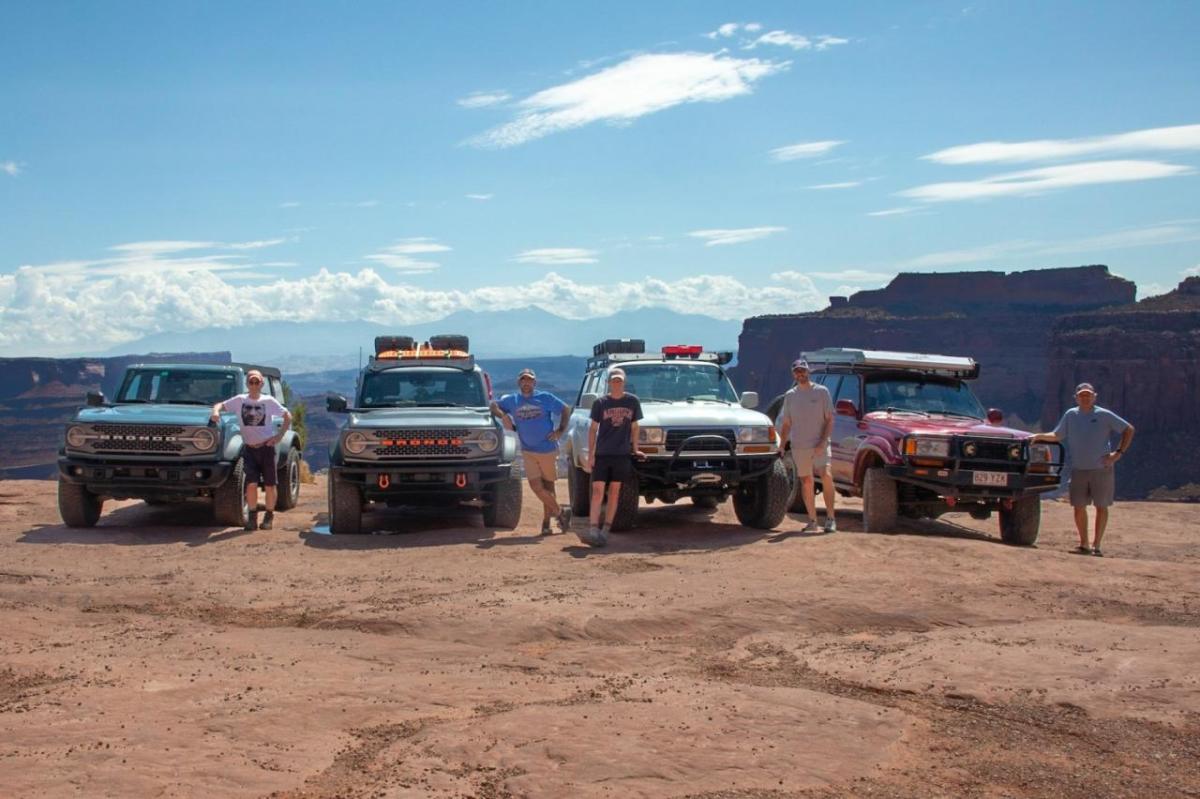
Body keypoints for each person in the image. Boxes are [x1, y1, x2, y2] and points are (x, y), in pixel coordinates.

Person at [1030, 382, 1134, 557]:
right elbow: (1057, 435)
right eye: (1081, 395)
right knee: (1079, 506)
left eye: (1088, 395)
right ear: (1076, 398)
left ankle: (1097, 545)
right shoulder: (1071, 415)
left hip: (1101, 468)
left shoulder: (1103, 414)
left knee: (1101, 506)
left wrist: (1118, 453)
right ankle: (1084, 544)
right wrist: (1038, 436)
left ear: (1095, 396)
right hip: (1079, 469)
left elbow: (1128, 429)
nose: (1085, 398)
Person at [491, 368, 572, 535]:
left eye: (529, 380)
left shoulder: (545, 398)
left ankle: (546, 522)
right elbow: (493, 405)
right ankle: (561, 513)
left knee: (548, 487)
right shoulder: (512, 400)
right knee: (536, 486)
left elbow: (565, 409)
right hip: (528, 450)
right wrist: (504, 416)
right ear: (519, 382)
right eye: (523, 380)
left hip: (547, 449)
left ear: (534, 383)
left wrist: (561, 430)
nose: (526, 383)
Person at [211, 370, 292, 531]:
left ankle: (268, 517)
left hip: (266, 448)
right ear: (247, 384)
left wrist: (279, 436)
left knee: (270, 484)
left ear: (261, 384)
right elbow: (220, 405)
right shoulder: (240, 400)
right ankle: (252, 518)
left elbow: (287, 415)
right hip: (249, 449)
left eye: (257, 382)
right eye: (251, 382)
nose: (254, 385)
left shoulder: (268, 401)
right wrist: (215, 412)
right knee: (251, 484)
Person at [583, 368, 644, 547]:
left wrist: (636, 448)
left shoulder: (632, 401)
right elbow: (593, 429)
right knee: (597, 491)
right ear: (608, 383)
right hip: (602, 454)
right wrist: (591, 455)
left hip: (622, 454)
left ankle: (606, 530)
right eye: (614, 381)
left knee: (614, 492)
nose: (616, 383)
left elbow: (635, 427)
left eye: (619, 380)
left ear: (624, 382)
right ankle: (593, 529)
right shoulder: (600, 403)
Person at [777, 358, 836, 533]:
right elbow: (787, 423)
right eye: (796, 371)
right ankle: (812, 521)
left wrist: (823, 441)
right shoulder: (790, 395)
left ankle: (831, 519)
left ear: (808, 372)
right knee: (806, 481)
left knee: (825, 474)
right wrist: (781, 445)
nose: (800, 373)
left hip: (820, 444)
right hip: (799, 446)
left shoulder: (822, 392)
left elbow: (830, 420)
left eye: (802, 370)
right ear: (793, 374)